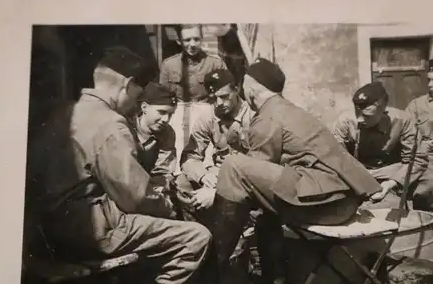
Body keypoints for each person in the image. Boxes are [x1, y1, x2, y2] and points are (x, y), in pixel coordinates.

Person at [27, 46, 211, 284]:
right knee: (196, 237)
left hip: (47, 231)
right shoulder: (111, 123)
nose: (136, 102)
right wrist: (168, 208)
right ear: (128, 84)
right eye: (138, 93)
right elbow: (135, 196)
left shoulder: (63, 113)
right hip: (92, 229)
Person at [211, 58, 382, 284]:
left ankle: (212, 268)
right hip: (341, 201)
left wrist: (214, 191)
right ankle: (277, 278)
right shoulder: (289, 110)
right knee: (265, 213)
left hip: (326, 204)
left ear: (251, 90)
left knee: (232, 166)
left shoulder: (267, 117)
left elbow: (246, 181)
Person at [332, 81, 433, 270]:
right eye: (357, 112)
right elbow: (337, 160)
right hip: (359, 171)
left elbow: (416, 159)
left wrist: (391, 183)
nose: (359, 119)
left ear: (383, 111)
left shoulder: (402, 120)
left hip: (396, 168)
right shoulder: (345, 122)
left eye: (366, 115)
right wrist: (362, 183)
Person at [175, 68, 255, 227]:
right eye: (213, 99)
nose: (219, 104)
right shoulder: (208, 117)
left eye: (224, 97)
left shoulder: (254, 119)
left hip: (248, 180)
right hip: (219, 175)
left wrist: (219, 192)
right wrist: (203, 176)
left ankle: (240, 237)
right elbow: (189, 157)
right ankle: (200, 234)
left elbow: (263, 167)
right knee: (182, 183)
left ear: (236, 90)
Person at [128, 82, 179, 214]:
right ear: (144, 107)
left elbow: (162, 171)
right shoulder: (126, 128)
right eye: (161, 112)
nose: (166, 119)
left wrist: (159, 193)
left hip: (151, 189)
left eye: (170, 114)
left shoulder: (167, 133)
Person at [159, 24, 228, 103]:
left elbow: (226, 93)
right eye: (187, 40)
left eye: (196, 39)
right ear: (179, 41)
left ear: (202, 39)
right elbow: (163, 97)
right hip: (179, 111)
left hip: (207, 111)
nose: (193, 44)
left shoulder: (216, 63)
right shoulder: (168, 65)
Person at [406, 58, 433, 179]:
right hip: (427, 159)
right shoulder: (416, 105)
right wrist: (421, 144)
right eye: (429, 80)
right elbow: (405, 135)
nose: (430, 85)